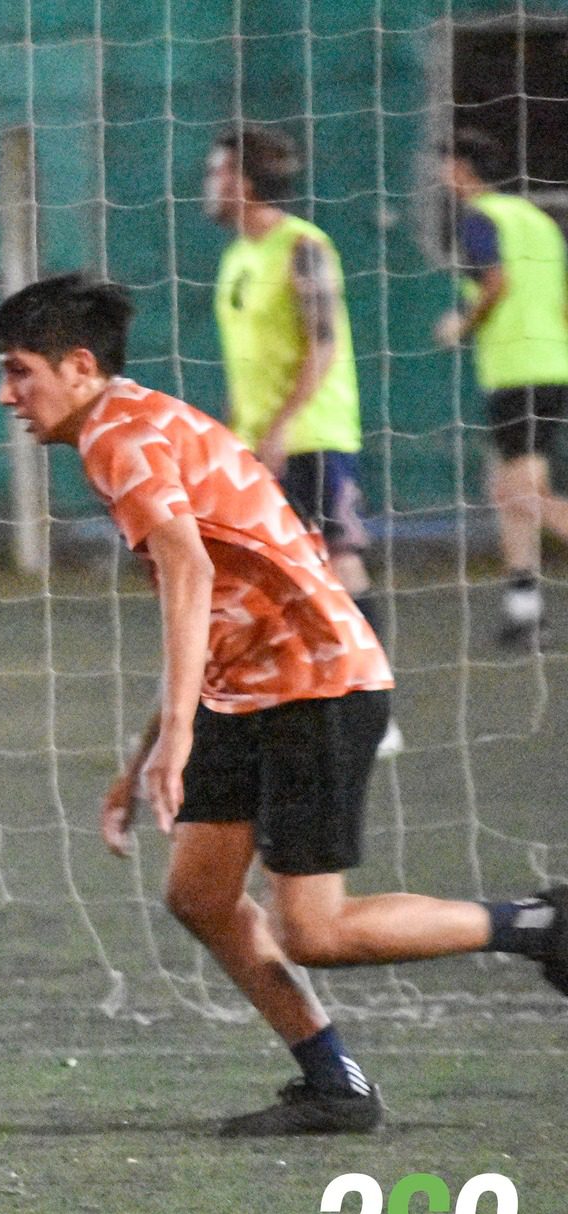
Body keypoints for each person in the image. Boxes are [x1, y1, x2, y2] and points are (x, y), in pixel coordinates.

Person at [0, 274, 568, 1136]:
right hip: (251, 686)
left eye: (19, 371)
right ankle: (335, 1083)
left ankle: (539, 921)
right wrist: (145, 750)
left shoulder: (117, 434)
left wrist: (178, 731)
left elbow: (188, 569)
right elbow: (206, 602)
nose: (7, 394)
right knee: (201, 893)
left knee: (315, 930)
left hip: (315, 684)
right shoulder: (133, 420)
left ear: (78, 366)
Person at [205, 125, 400, 757]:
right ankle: (268, 707)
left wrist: (284, 426)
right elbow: (249, 362)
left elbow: (324, 344)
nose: (208, 186)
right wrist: (231, 435)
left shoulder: (303, 247)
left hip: (313, 436)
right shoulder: (237, 256)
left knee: (338, 565)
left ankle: (376, 713)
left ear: (247, 182)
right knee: (256, 576)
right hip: (258, 444)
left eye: (218, 173)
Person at [434, 129, 568, 648]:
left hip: (518, 369)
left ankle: (525, 606)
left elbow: (497, 284)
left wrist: (461, 326)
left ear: (464, 169)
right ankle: (524, 607)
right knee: (514, 491)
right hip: (552, 366)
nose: (444, 177)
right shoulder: (539, 220)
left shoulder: (482, 218)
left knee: (517, 493)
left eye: (447, 165)